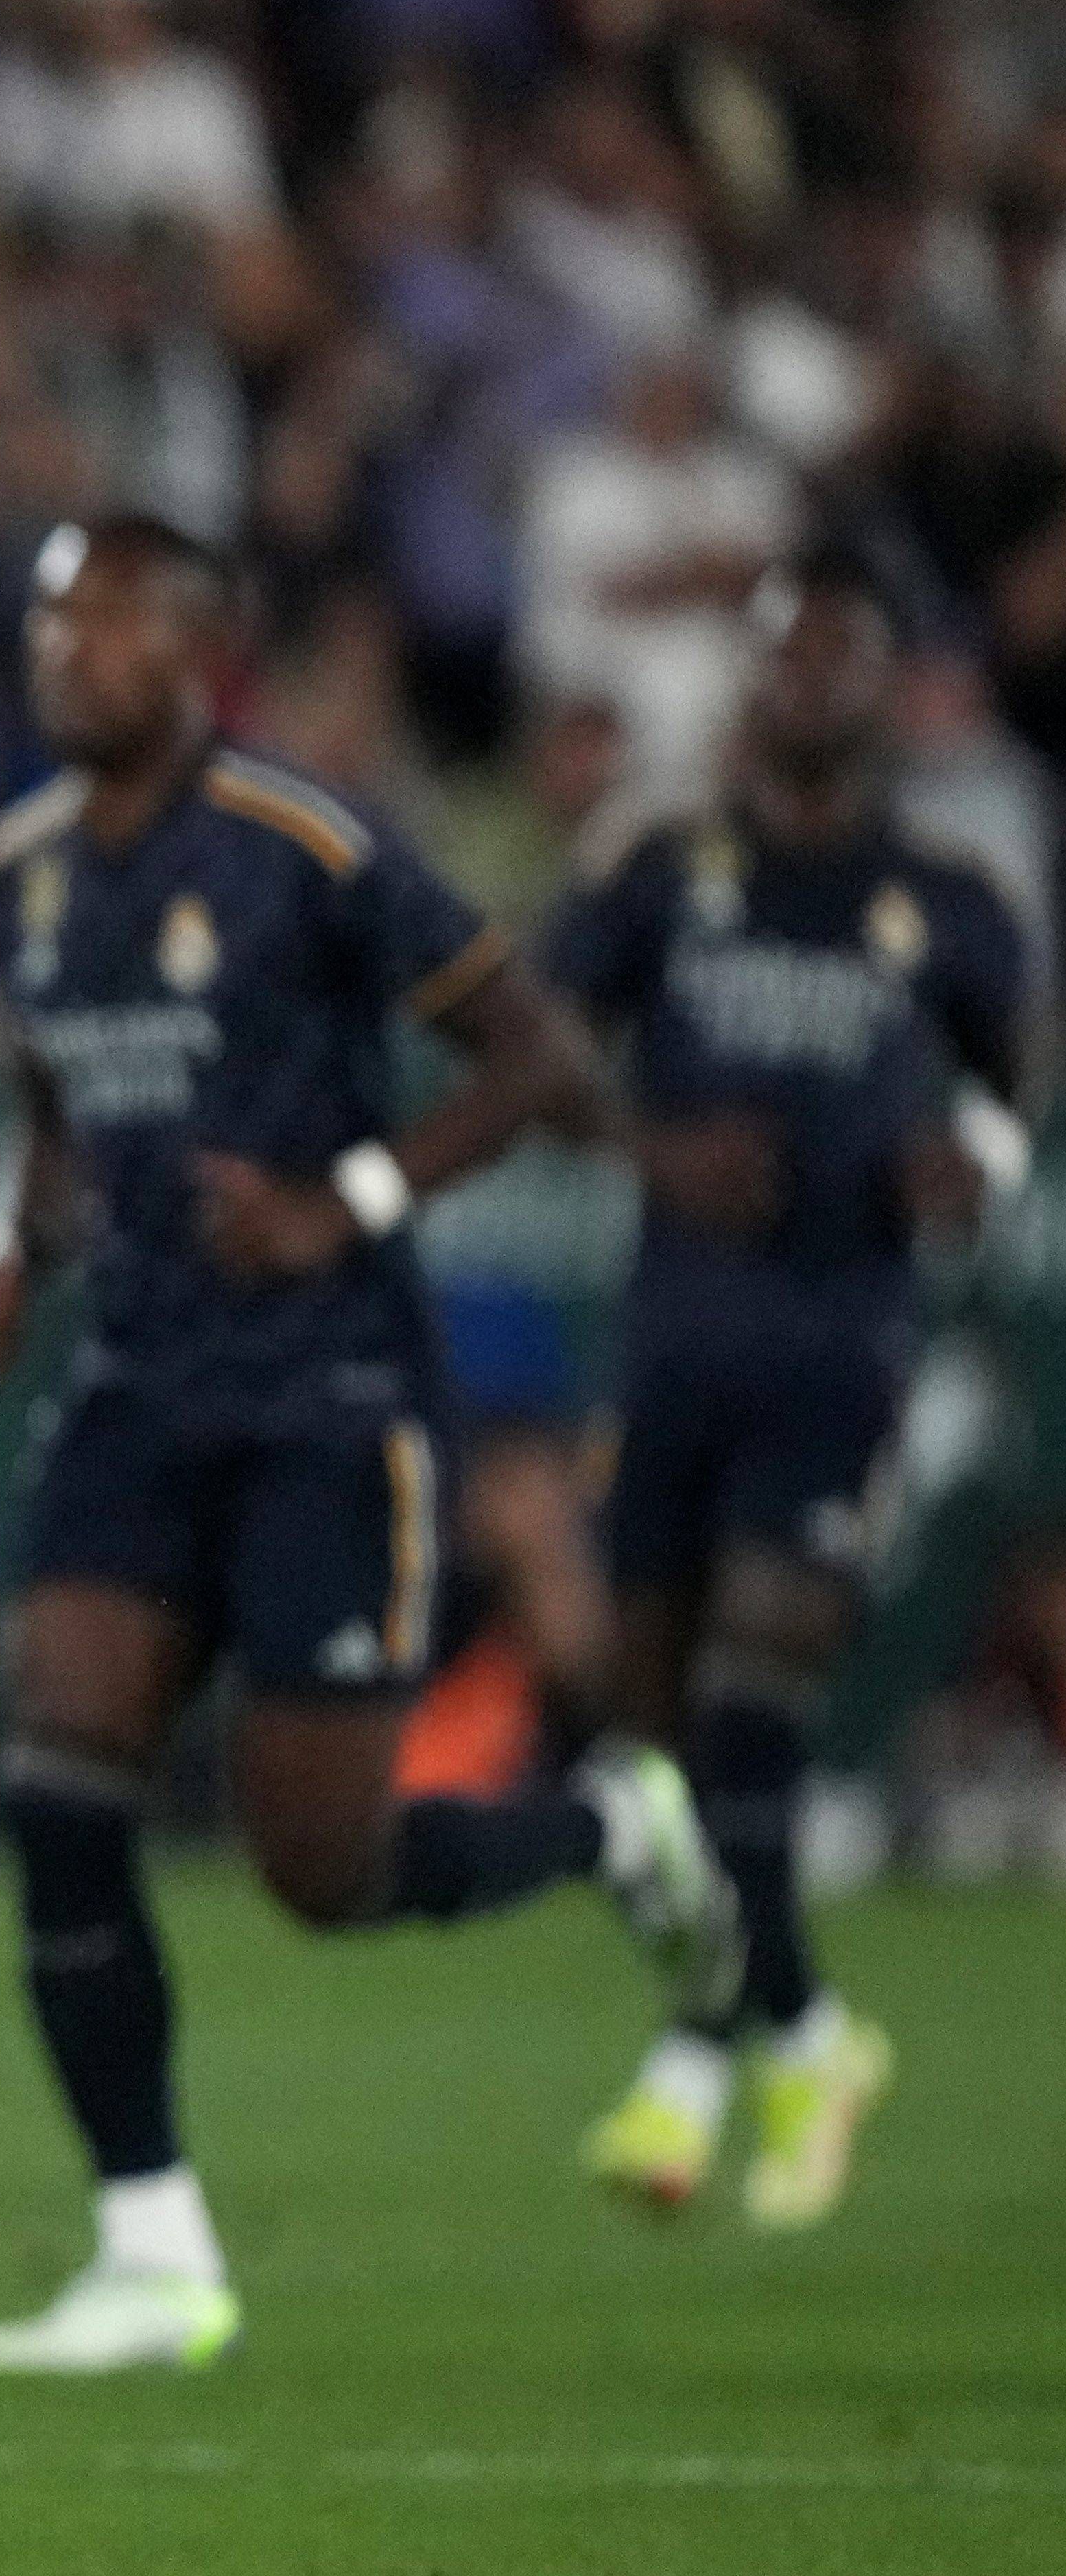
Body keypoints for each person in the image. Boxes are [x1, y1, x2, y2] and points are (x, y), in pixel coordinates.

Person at [0, 518, 716, 2374]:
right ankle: (152, 2244)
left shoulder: (309, 844)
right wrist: (6, 1241)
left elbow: (535, 1058)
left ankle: (617, 1821)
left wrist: (343, 1197)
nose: (70, 648)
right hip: (136, 1381)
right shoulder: (19, 869)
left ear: (203, 650)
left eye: (113, 617)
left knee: (324, 1867)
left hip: (327, 1396)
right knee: (58, 1772)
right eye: (51, 616)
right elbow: (55, 1104)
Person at [547, 554, 1045, 2228]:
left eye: (846, 655)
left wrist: (970, 1160)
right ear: (753, 684)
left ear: (891, 689)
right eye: (789, 653)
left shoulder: (949, 891)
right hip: (676, 1341)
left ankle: (692, 2075)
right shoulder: (657, 865)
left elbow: (1010, 1085)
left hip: (839, 1352)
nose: (813, 680)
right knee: (646, 1754)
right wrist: (647, 1144)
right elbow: (536, 1050)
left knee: (754, 1712)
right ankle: (806, 2034)